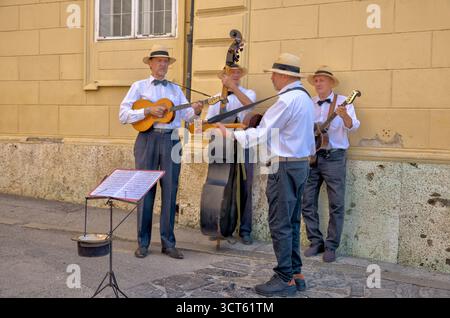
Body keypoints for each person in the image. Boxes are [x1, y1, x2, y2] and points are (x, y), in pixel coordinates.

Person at [216, 53, 315, 296]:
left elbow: (261, 134)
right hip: (300, 164)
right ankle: (295, 273)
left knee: (280, 223)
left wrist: (230, 135)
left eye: (273, 74)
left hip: (283, 166)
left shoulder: (286, 101)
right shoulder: (305, 98)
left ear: (283, 76)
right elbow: (309, 137)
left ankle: (284, 278)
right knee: (291, 222)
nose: (271, 78)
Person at [119, 44, 203, 259]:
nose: (162, 64)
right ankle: (143, 243)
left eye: (165, 61)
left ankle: (168, 243)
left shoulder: (175, 89)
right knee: (145, 190)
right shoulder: (138, 87)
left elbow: (186, 116)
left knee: (170, 190)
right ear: (150, 63)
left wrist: (196, 111)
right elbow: (123, 115)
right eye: (158, 61)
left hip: (172, 140)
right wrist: (147, 110)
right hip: (147, 138)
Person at [302, 66, 360, 263]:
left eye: (322, 80)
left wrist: (344, 115)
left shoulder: (344, 101)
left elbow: (353, 126)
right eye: (316, 80)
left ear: (331, 83)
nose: (318, 83)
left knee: (336, 204)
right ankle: (315, 241)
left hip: (334, 158)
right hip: (312, 158)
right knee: (307, 201)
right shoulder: (309, 103)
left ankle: (332, 246)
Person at [206, 64, 256, 245]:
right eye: (230, 73)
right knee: (221, 187)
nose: (234, 75)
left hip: (243, 142)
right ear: (223, 77)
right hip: (221, 144)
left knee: (245, 186)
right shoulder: (216, 99)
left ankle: (245, 230)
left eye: (237, 73)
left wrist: (233, 88)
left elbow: (250, 107)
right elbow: (209, 122)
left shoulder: (248, 93)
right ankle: (221, 226)